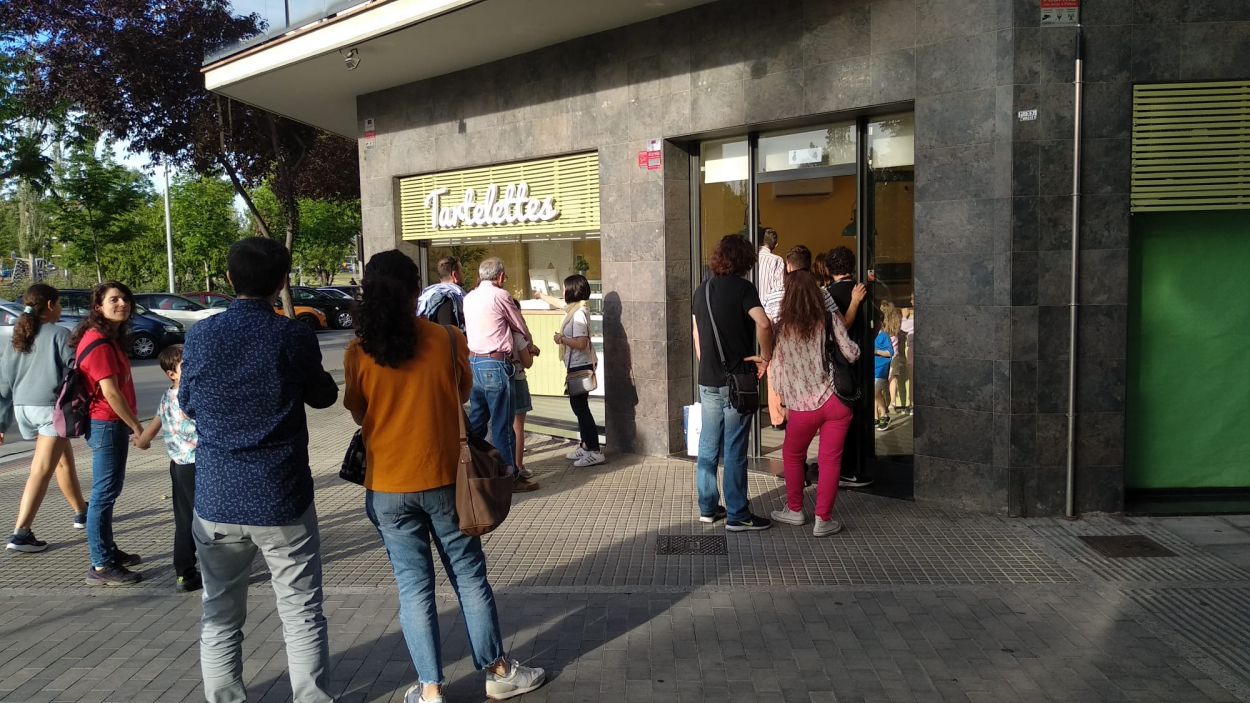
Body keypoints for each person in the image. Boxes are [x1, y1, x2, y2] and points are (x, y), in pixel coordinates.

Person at [344, 250, 546, 703]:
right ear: (416, 289)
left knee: (414, 589)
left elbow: (358, 411)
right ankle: (497, 671)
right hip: (445, 481)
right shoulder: (447, 339)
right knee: (469, 578)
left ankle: (431, 689)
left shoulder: (359, 350)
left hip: (387, 487)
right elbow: (463, 392)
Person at [181, 237, 339, 703]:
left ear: (230, 280)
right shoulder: (291, 334)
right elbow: (324, 395)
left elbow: (188, 402)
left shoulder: (202, 336)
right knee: (301, 610)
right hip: (281, 496)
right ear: (282, 281)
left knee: (220, 613)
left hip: (216, 498)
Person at [768, 270, 860, 536]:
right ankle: (823, 520)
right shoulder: (829, 319)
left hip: (801, 407)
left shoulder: (782, 328)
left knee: (793, 455)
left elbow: (779, 370)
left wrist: (783, 399)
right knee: (830, 461)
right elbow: (852, 353)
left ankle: (795, 510)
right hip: (835, 402)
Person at [692, 235, 774, 532]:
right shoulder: (743, 288)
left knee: (708, 445)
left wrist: (709, 365)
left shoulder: (702, 291)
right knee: (735, 449)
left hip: (708, 379)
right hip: (737, 381)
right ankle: (738, 514)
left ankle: (708, 508)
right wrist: (766, 356)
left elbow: (697, 337)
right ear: (745, 261)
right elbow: (763, 323)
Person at [0, 284, 88, 554]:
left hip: (24, 410)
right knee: (40, 470)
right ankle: (21, 533)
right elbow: (77, 371)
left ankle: (82, 512)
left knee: (62, 461)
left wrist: (1, 424)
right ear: (50, 305)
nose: (60, 308)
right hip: (52, 410)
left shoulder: (17, 338)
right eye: (59, 303)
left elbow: (3, 385)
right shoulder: (59, 334)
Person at [71, 281, 145, 585]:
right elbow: (111, 394)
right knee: (103, 495)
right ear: (98, 306)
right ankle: (100, 564)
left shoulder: (108, 338)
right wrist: (136, 426)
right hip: (107, 423)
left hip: (109, 424)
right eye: (113, 300)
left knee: (108, 493)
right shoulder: (99, 342)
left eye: (125, 299)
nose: (122, 304)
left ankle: (108, 551)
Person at [462, 257, 538, 491]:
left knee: (476, 421)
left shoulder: (469, 296)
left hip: (474, 361)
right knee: (502, 424)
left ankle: (467, 470)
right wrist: (530, 343)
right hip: (495, 364)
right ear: (501, 276)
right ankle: (511, 478)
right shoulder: (500, 295)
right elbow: (518, 324)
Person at [134, 344, 201, 592]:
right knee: (206, 519)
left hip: (179, 467)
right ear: (171, 373)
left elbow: (153, 426)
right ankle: (216, 570)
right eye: (186, 365)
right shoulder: (196, 396)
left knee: (184, 520)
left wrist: (141, 441)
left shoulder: (166, 396)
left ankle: (184, 574)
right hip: (199, 466)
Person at [825, 247, 870, 488]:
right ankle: (854, 467)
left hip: (838, 365)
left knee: (840, 418)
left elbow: (839, 327)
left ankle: (845, 469)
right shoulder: (863, 290)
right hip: (864, 360)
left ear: (828, 269)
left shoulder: (827, 294)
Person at [554, 274, 604, 467]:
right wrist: (541, 296)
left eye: (564, 288)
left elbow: (581, 343)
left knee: (581, 408)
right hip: (575, 364)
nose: (562, 291)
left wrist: (561, 339)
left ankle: (594, 449)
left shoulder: (579, 313)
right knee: (579, 407)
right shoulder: (574, 310)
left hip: (580, 364)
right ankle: (586, 445)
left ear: (572, 290)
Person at [763, 246, 840, 323]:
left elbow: (766, 327)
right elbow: (841, 323)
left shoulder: (773, 295)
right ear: (809, 267)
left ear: (788, 267)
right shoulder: (823, 294)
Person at [510, 298, 536, 479]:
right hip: (518, 380)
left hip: (501, 380)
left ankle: (505, 465)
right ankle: (518, 466)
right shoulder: (518, 337)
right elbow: (527, 363)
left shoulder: (497, 333)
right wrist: (531, 352)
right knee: (518, 427)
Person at [416, 256, 466, 330]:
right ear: (454, 275)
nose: (463, 274)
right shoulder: (451, 297)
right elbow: (449, 332)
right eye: (462, 271)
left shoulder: (427, 294)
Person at [874, 303, 899, 432]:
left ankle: (884, 414)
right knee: (874, 393)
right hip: (872, 369)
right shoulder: (869, 335)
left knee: (874, 392)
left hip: (881, 370)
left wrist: (877, 351)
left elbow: (891, 352)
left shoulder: (883, 335)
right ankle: (877, 417)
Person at [757, 227, 785, 304]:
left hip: (750, 310)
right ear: (776, 245)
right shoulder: (777, 260)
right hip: (768, 308)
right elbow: (779, 289)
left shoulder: (751, 257)